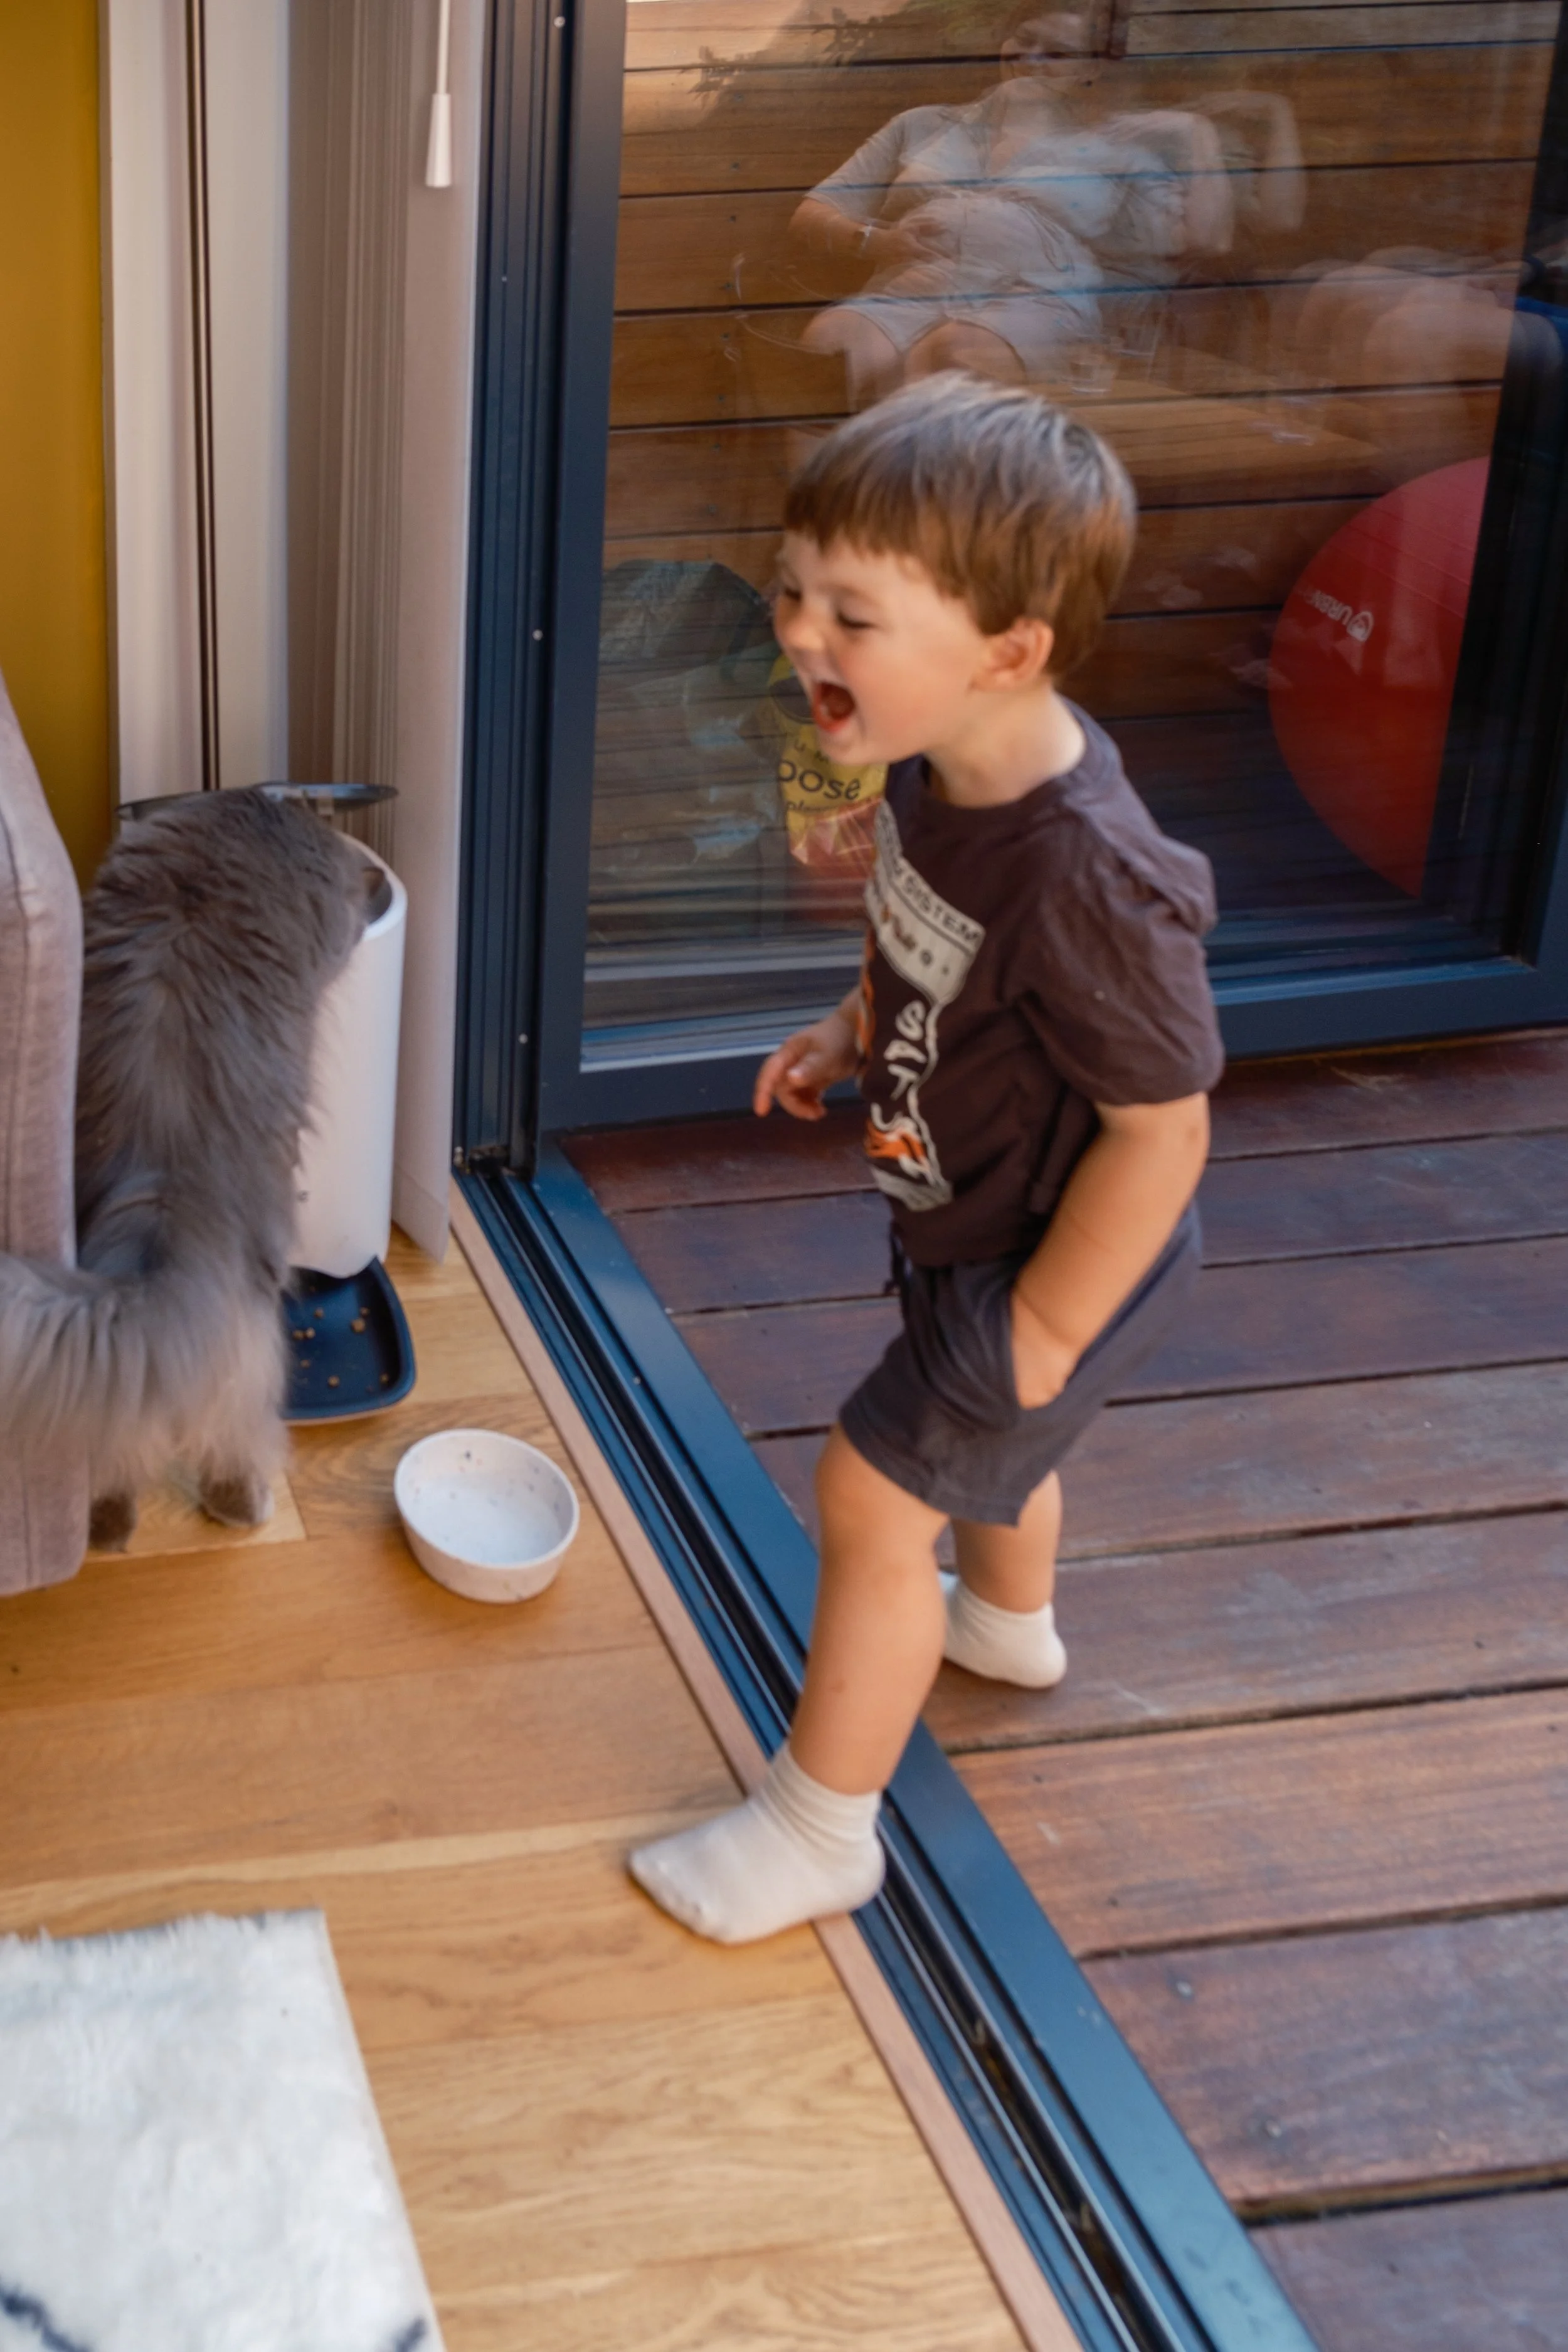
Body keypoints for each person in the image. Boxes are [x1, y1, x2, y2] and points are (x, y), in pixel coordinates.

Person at [630, 373, 1224, 1944]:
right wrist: (848, 1021)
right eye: (791, 587)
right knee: (993, 1462)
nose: (799, 633)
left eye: (852, 612)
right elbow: (930, 948)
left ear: (1005, 652)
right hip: (966, 1214)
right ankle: (1010, 1628)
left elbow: (1165, 1124)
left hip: (1049, 1251)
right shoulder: (936, 760)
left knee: (872, 1495)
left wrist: (1041, 1327)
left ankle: (819, 1826)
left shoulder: (1091, 876)